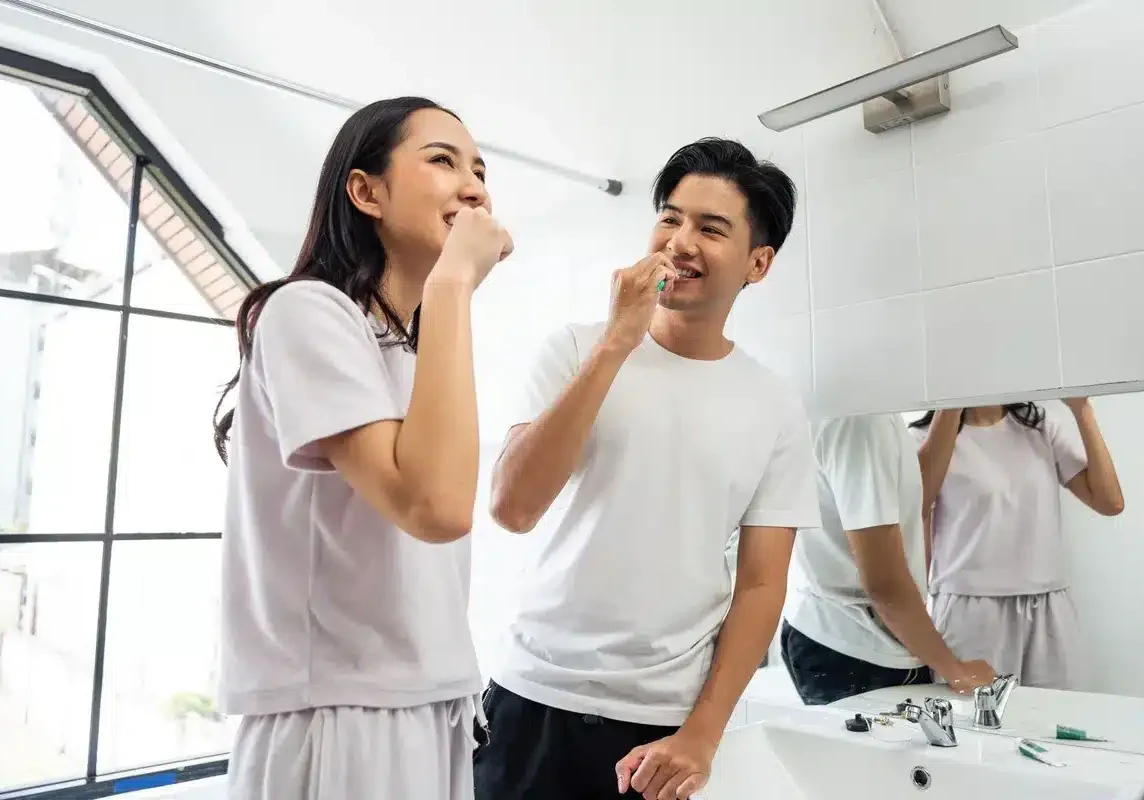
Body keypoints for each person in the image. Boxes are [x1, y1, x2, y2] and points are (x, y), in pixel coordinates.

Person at [476, 138, 822, 800]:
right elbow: (512, 507)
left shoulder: (774, 407)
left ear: (758, 262)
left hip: (658, 726)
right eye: (670, 217)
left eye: (710, 228)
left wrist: (703, 734)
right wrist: (616, 344)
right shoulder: (575, 348)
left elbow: (760, 586)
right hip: (528, 697)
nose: (679, 241)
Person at [211, 97, 513, 800]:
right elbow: (436, 506)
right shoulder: (307, 312)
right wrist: (455, 285)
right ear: (365, 191)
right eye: (442, 160)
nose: (474, 186)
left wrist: (446, 299)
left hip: (430, 705)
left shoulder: (416, 342)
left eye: (480, 169)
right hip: (339, 718)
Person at [782, 414, 996, 706]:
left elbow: (904, 500)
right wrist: (954, 671)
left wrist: (950, 411)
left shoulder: (858, 411)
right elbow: (885, 585)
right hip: (857, 648)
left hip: (838, 631)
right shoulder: (862, 422)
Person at [913, 400, 1124, 689]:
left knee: (1056, 724)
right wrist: (949, 404)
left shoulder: (1039, 425)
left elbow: (1109, 502)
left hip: (1049, 605)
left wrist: (1082, 410)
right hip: (970, 609)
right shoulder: (923, 437)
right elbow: (915, 507)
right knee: (976, 726)